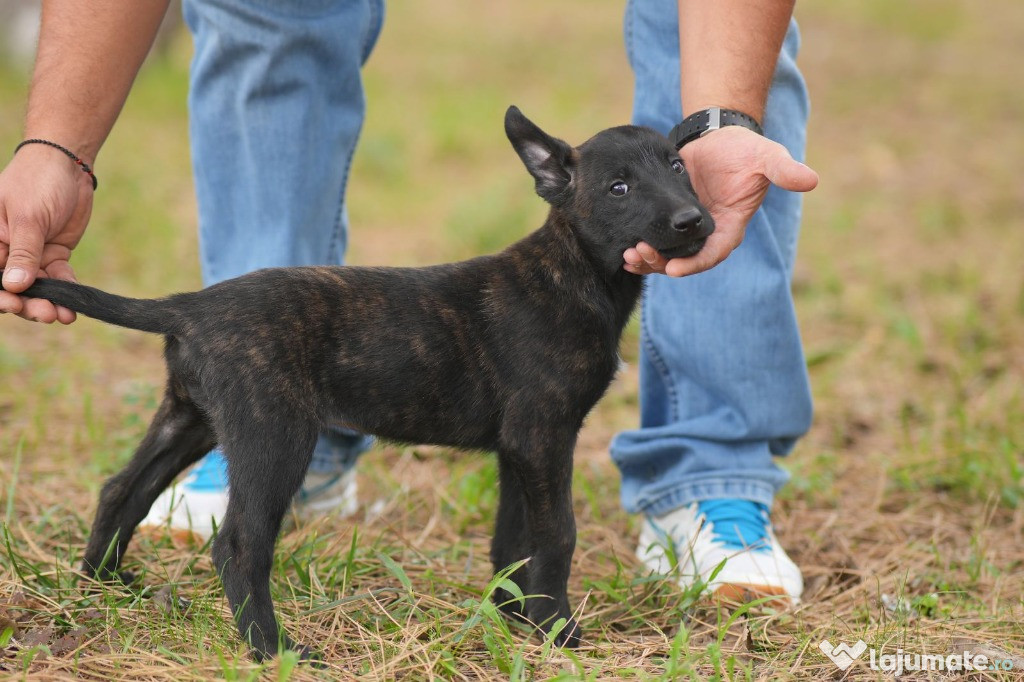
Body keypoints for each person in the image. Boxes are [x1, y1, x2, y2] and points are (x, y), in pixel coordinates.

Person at [0, 0, 816, 602]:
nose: (678, 198)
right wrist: (57, 147)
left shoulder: (562, 299)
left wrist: (719, 120)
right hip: (280, 339)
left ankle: (711, 473)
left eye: (675, 166)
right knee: (267, 18)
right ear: (554, 185)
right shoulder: (542, 312)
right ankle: (272, 449)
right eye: (624, 184)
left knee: (707, 42)